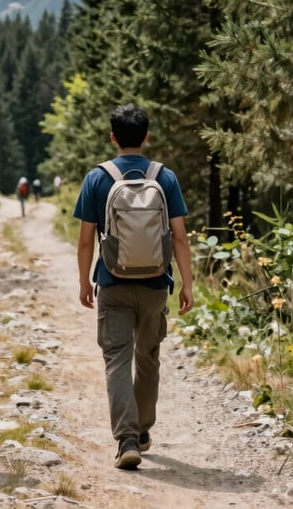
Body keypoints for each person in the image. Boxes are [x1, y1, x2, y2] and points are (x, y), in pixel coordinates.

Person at [74, 103, 194, 470]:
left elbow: (85, 240)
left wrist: (84, 282)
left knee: (116, 359)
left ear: (113, 137)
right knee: (148, 357)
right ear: (146, 136)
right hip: (157, 283)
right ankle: (142, 431)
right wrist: (188, 284)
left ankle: (126, 439)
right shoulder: (165, 177)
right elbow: (179, 238)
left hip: (113, 282)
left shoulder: (97, 178)